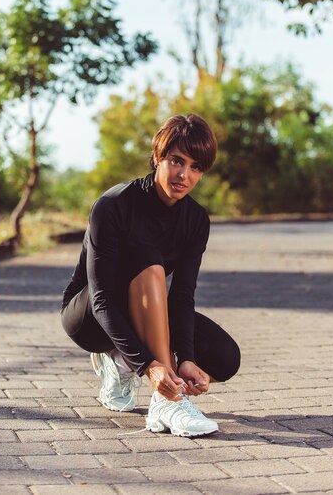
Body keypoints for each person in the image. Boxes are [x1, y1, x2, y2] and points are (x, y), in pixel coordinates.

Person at [61, 114, 241, 437]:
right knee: (147, 257)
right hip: (89, 315)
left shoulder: (196, 220)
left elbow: (183, 296)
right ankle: (165, 402)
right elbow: (100, 298)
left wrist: (185, 357)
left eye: (196, 167)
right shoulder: (113, 206)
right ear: (158, 156)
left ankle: (121, 364)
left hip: (143, 307)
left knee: (225, 357)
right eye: (176, 161)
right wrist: (151, 365)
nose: (184, 175)